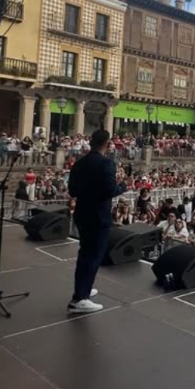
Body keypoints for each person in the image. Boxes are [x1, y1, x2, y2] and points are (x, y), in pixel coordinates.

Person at [67, 129, 127, 314]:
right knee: (93, 256)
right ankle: (80, 299)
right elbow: (110, 190)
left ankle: (83, 289)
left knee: (85, 252)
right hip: (98, 216)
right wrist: (123, 186)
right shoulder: (107, 163)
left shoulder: (80, 163)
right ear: (107, 144)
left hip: (82, 213)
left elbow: (72, 191)